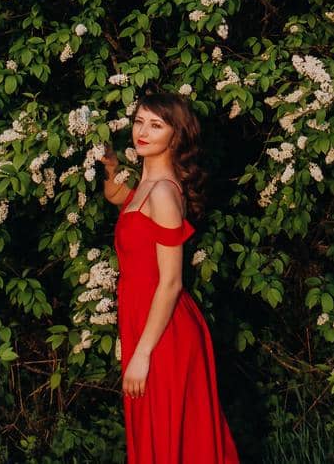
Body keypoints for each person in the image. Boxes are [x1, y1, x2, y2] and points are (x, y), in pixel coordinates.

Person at [100, 85, 240, 463]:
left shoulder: (162, 193)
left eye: (156, 125)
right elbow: (117, 197)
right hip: (144, 323)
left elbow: (172, 281)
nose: (142, 132)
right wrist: (111, 166)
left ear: (175, 136)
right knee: (153, 434)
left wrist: (142, 354)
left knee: (169, 438)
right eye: (139, 121)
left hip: (163, 334)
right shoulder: (144, 187)